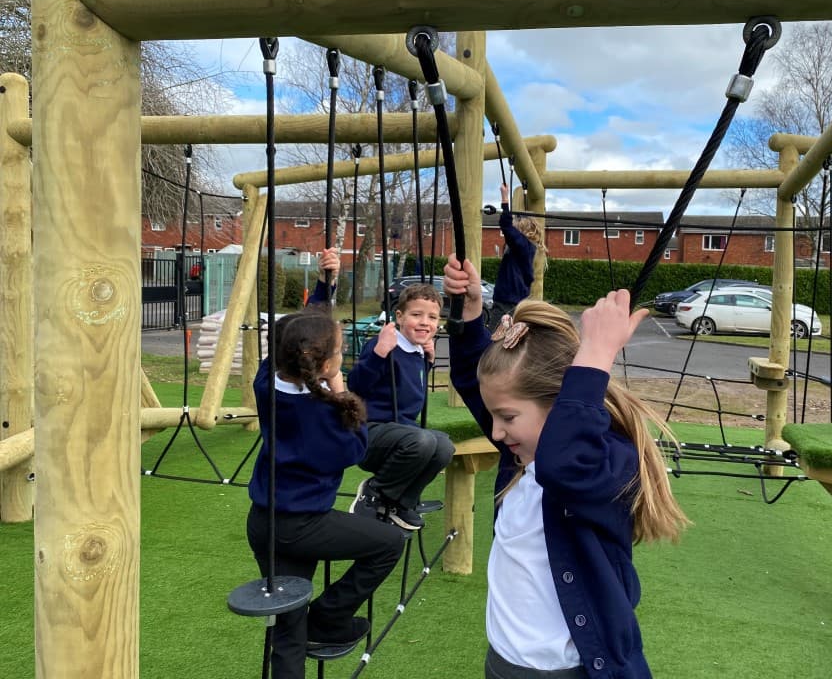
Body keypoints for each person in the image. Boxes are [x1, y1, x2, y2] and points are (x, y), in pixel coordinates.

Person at [443, 255, 689, 679]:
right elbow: (475, 380)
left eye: (507, 418)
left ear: (561, 404)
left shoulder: (604, 462)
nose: (497, 433)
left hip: (571, 671)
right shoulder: (523, 457)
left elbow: (565, 466)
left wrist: (595, 354)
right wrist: (468, 316)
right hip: (505, 664)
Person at [245, 271, 406, 679]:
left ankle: (311, 627)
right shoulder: (328, 415)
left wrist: (324, 284)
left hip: (262, 523)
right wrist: (339, 387)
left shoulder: (266, 383)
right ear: (328, 363)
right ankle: (329, 617)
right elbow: (357, 450)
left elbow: (298, 332)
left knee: (287, 625)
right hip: (303, 525)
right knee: (388, 542)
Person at [347, 283, 455, 531]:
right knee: (423, 441)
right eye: (416, 315)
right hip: (370, 434)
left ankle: (400, 503)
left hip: (402, 436)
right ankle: (374, 493)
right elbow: (357, 385)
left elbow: (407, 389)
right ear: (399, 316)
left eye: (432, 317)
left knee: (444, 447)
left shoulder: (416, 351)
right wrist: (379, 352)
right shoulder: (384, 345)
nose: (424, 322)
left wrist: (427, 363)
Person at [488, 182, 544, 331]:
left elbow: (506, 226)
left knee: (494, 339)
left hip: (507, 303)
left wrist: (505, 199)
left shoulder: (522, 245)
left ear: (522, 230)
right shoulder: (526, 249)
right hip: (513, 301)